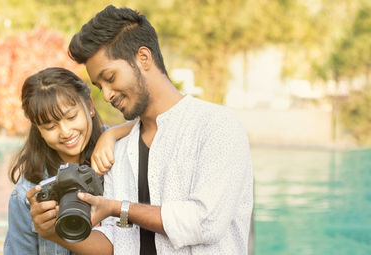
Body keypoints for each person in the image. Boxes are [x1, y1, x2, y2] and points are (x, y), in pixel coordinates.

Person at [27, 5, 253, 255]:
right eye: (100, 86)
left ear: (143, 58)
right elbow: (115, 242)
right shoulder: (119, 149)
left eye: (110, 78)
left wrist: (117, 207)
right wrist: (52, 232)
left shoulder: (217, 126)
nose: (108, 94)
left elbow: (206, 221)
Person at [4, 67, 134, 254]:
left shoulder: (120, 153)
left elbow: (158, 121)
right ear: (38, 130)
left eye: (71, 117)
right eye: (50, 126)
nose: (65, 132)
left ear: (89, 106)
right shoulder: (28, 192)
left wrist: (113, 133)